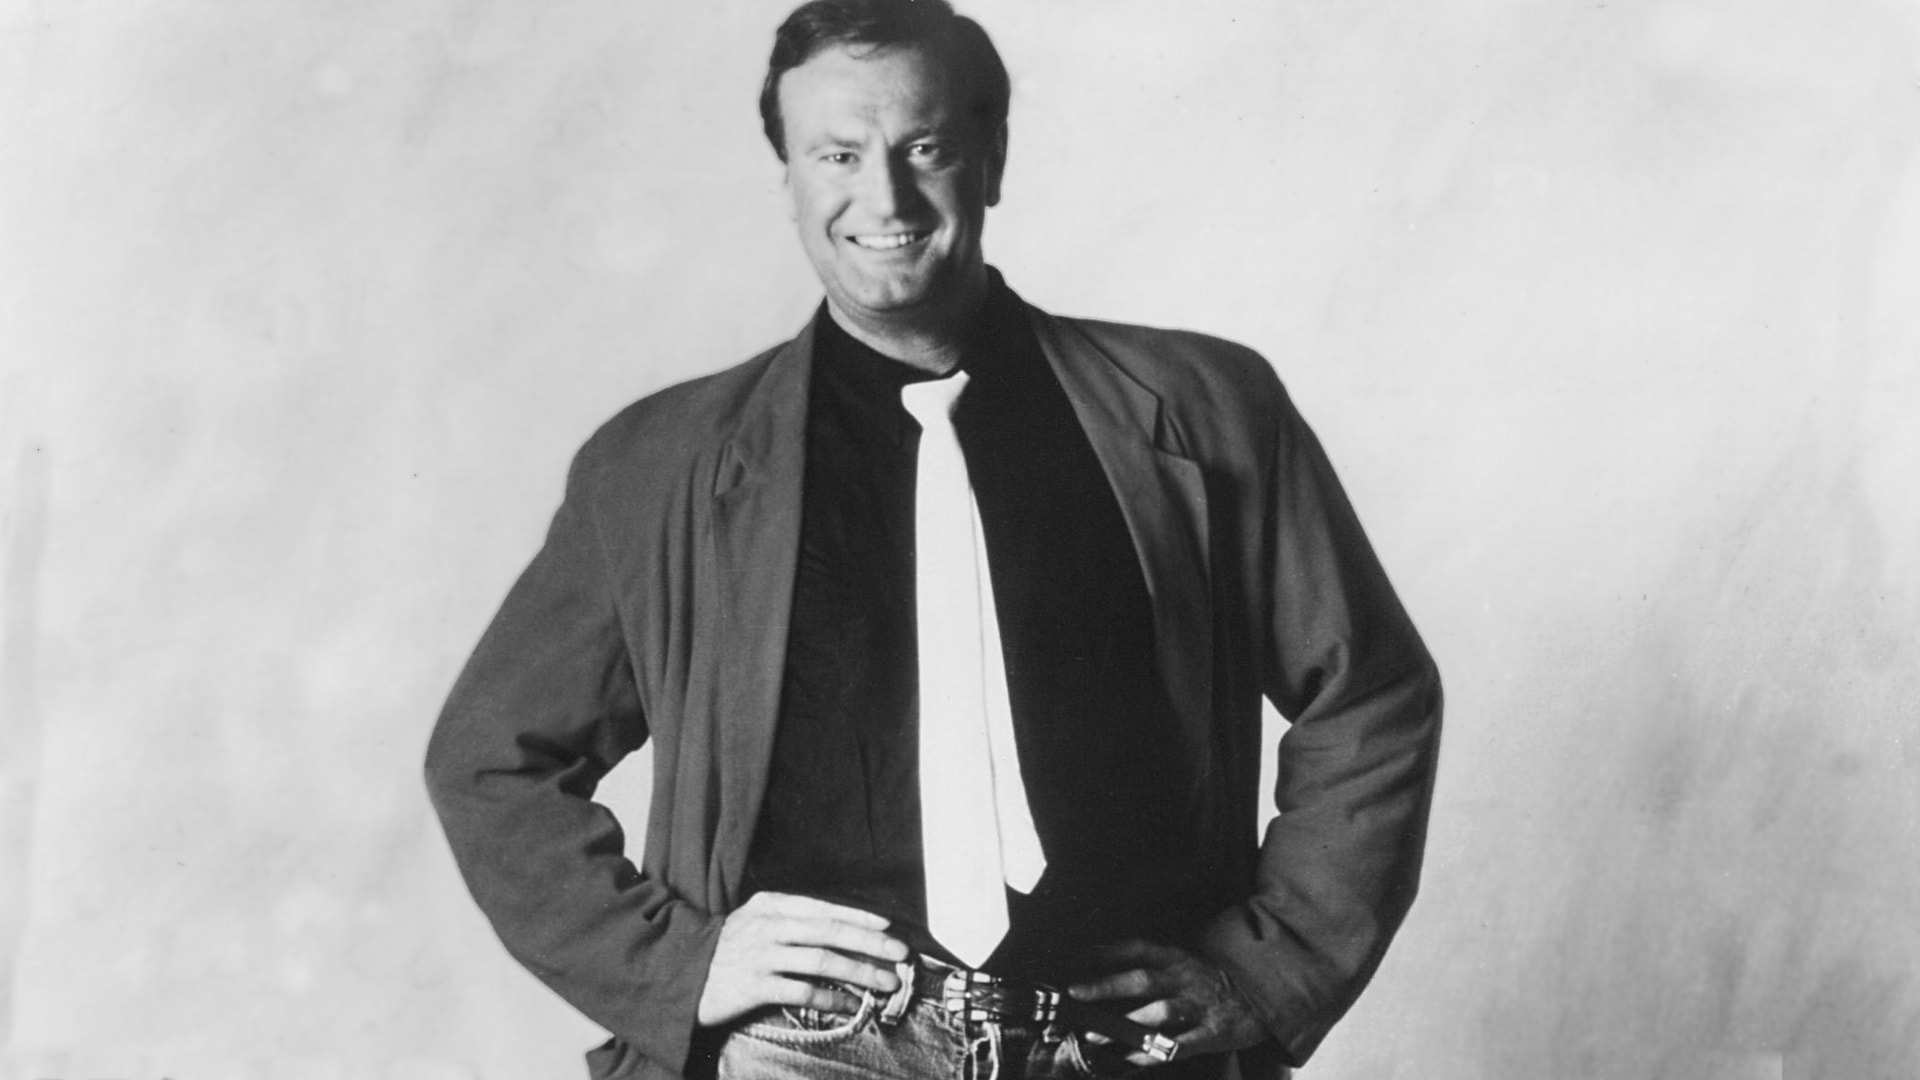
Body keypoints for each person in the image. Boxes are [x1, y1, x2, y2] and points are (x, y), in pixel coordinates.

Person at [424, 2, 1442, 1079]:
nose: (886, 198)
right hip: (804, 1048)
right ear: (788, 178)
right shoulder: (659, 466)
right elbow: (492, 757)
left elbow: (1370, 694)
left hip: (1123, 1044)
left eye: (925, 148)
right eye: (838, 155)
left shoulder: (1206, 411)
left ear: (991, 158)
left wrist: (1270, 968)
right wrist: (674, 966)